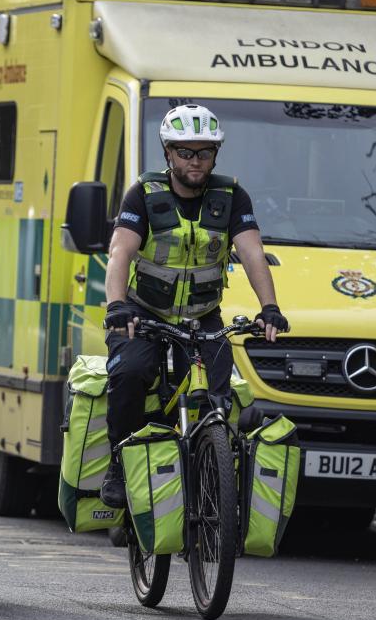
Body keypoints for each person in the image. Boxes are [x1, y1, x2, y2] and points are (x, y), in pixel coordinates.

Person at [99, 103, 289, 509]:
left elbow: (252, 253)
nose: (195, 161)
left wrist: (269, 307)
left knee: (218, 398)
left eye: (205, 152)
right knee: (130, 374)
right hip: (144, 312)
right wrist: (116, 305)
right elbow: (120, 253)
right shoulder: (144, 194)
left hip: (203, 317)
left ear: (215, 155)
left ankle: (210, 477)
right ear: (168, 153)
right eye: (185, 152)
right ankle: (119, 462)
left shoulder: (231, 197)